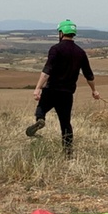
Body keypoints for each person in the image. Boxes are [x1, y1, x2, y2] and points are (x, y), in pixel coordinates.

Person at [26, 19, 100, 157]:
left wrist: (37, 88)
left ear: (61, 33)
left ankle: (40, 120)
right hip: (67, 94)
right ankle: (68, 152)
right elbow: (89, 75)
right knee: (66, 123)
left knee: (41, 108)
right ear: (73, 34)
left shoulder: (55, 49)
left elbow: (47, 70)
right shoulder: (80, 52)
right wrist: (94, 91)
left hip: (51, 90)